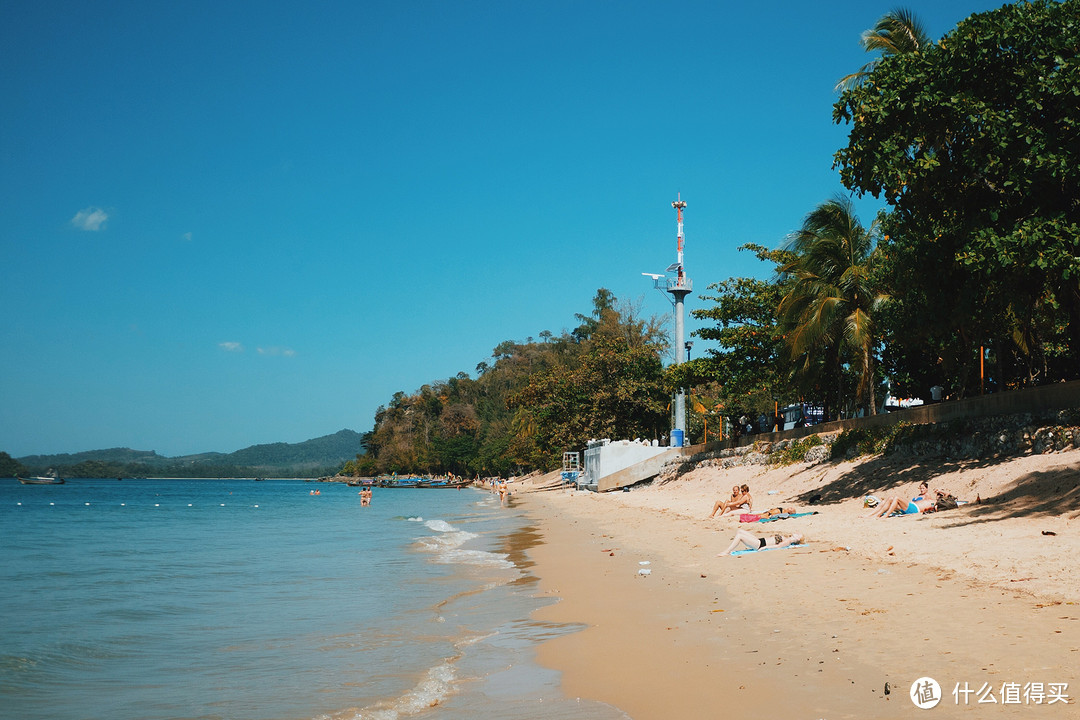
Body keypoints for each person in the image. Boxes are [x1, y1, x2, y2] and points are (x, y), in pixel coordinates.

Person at [863, 481, 939, 518]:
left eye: (923, 488)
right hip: (909, 507)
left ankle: (885, 515)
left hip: (914, 508)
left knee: (896, 498)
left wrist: (934, 507)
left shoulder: (928, 496)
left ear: (927, 489)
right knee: (889, 499)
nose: (922, 490)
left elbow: (931, 505)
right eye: (921, 488)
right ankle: (870, 514)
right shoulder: (919, 495)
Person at [718, 529, 804, 556]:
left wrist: (765, 547)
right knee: (740, 531)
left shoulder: (788, 541)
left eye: (798, 535)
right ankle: (727, 550)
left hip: (760, 544)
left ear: (797, 539)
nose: (797, 534)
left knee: (740, 536)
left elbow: (777, 546)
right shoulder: (786, 538)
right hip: (759, 540)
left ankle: (727, 551)